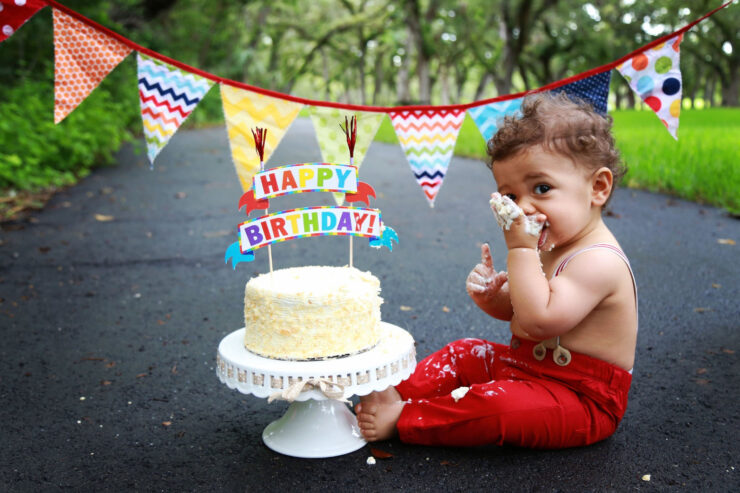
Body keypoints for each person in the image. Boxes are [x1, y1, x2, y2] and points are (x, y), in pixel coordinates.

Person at [355, 93, 638, 448]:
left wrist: (520, 249)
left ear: (597, 187)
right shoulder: (553, 241)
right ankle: (394, 393)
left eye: (542, 188)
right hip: (527, 367)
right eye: (511, 196)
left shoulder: (599, 261)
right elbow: (518, 312)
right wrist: (494, 297)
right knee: (465, 351)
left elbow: (538, 322)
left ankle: (407, 418)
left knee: (501, 407)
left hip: (579, 398)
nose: (524, 208)